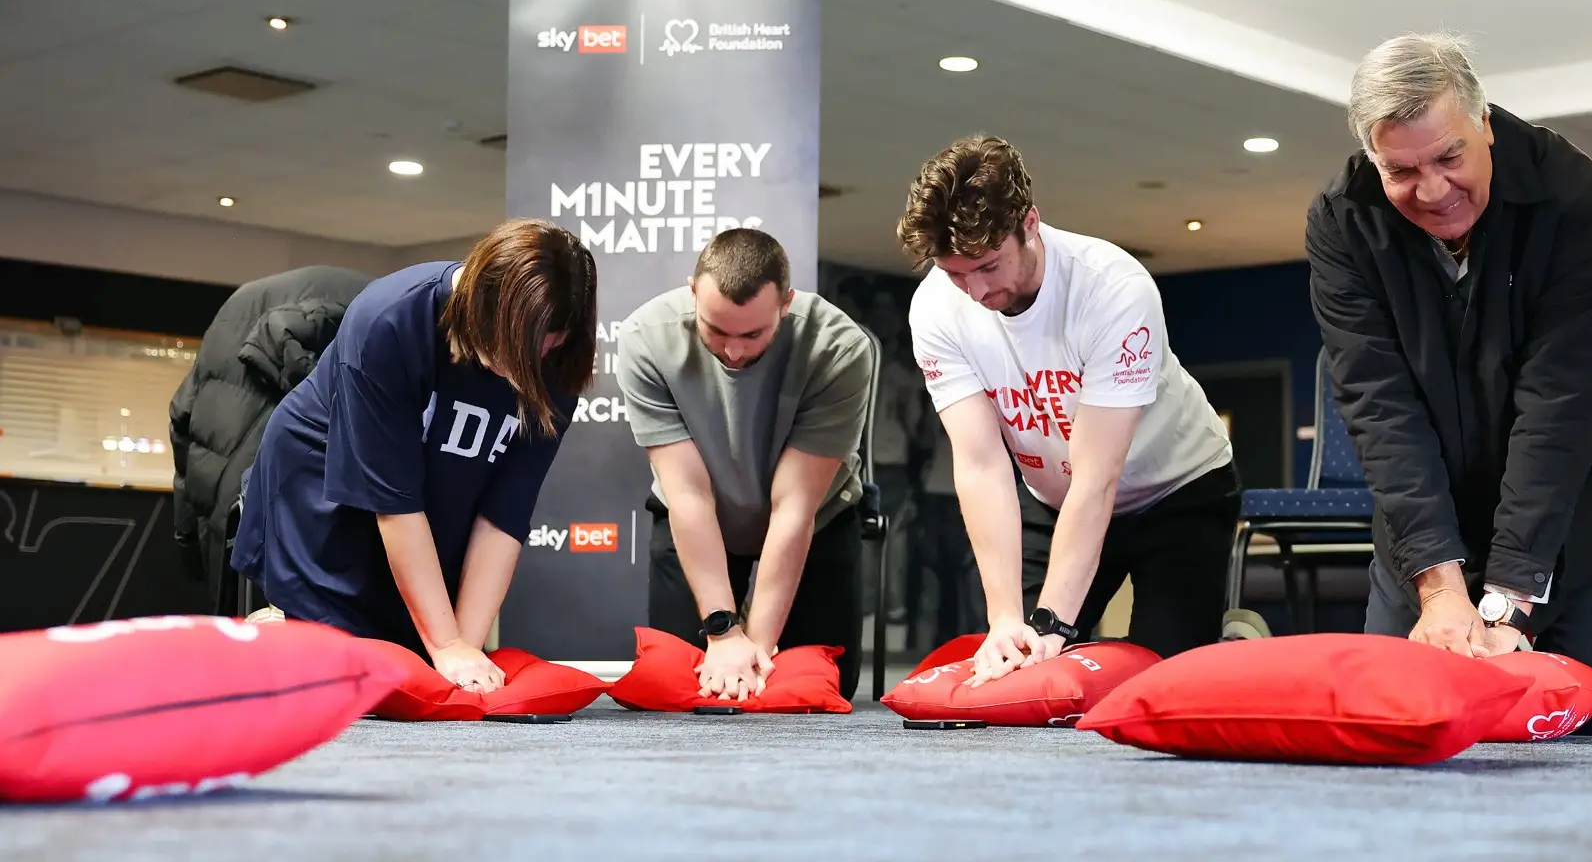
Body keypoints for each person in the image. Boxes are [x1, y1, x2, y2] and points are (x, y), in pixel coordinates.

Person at [1307, 32, 1592, 734]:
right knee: (1399, 694)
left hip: (1580, 479)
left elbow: (1558, 408)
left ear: (1485, 124)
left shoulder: (1576, 200)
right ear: (1372, 157)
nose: (1433, 191)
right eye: (1400, 171)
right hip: (1438, 487)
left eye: (1449, 157)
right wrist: (1440, 592)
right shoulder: (1342, 223)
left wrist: (1505, 605)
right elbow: (1381, 411)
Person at [898, 136, 1236, 684]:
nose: (975, 290)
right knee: (1017, 669)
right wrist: (1007, 618)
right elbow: (981, 465)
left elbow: (1097, 477)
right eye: (956, 273)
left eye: (988, 265)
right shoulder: (937, 308)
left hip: (1175, 490)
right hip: (1052, 499)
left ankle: (1220, 640)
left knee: (1161, 682)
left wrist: (1053, 623)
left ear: (1029, 223)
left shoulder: (1112, 288)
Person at [231, 220, 596, 694]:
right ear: (476, 300)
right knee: (349, 671)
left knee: (422, 663)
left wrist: (463, 646)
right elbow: (393, 501)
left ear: (561, 338)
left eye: (535, 351)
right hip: (327, 488)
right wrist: (445, 646)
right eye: (504, 345)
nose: (513, 367)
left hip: (433, 493)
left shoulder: (561, 366)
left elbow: (503, 516)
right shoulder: (389, 318)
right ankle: (281, 627)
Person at [616, 228, 876, 701]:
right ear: (693, 292)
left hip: (816, 522)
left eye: (754, 334)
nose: (734, 351)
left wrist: (755, 647)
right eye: (716, 330)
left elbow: (795, 506)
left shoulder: (838, 348)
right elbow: (689, 495)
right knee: (678, 683)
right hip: (701, 515)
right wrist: (721, 633)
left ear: (786, 304)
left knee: (815, 686)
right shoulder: (644, 340)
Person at [169, 265, 371, 612]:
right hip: (330, 556)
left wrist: (188, 544)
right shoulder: (381, 318)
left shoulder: (235, 312)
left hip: (229, 528)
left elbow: (181, 422)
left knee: (245, 652)